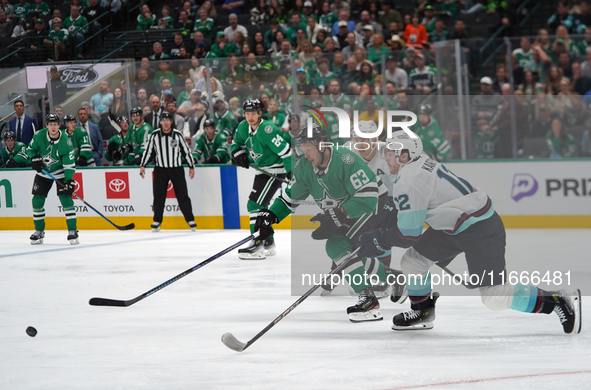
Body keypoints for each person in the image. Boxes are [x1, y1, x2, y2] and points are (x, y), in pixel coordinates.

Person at [355, 132, 581, 334]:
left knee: (495, 296)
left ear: (405, 156)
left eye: (391, 153)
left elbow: (407, 235)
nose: (385, 157)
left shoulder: (410, 180)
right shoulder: (417, 162)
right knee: (413, 262)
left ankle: (557, 300)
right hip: (455, 225)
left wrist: (379, 240)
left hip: (480, 228)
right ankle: (422, 311)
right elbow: (398, 208)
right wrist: (379, 230)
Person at [252, 124, 395, 321]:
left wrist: (339, 214)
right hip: (346, 210)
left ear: (321, 145)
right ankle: (391, 278)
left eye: (308, 148)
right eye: (302, 149)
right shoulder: (304, 167)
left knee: (342, 246)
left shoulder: (345, 159)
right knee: (342, 250)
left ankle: (369, 300)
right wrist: (270, 216)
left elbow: (368, 195)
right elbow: (289, 199)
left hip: (370, 205)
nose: (305, 154)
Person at [230, 99, 291, 259]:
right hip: (263, 170)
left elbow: (287, 152)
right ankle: (268, 242)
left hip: (276, 170)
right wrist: (239, 154)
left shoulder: (268, 130)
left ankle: (258, 244)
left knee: (254, 204)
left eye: (253, 113)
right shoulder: (243, 127)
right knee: (261, 205)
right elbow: (236, 144)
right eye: (247, 114)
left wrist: (291, 172)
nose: (250, 117)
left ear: (259, 113)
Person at [13, 114, 79, 245]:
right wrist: (34, 158)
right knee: (37, 200)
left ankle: (73, 230)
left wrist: (68, 180)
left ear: (59, 125)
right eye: (50, 124)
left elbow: (69, 164)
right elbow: (30, 149)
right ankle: (39, 231)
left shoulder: (66, 141)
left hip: (60, 171)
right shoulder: (39, 135)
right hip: (43, 172)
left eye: (55, 124)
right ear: (47, 125)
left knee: (65, 199)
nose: (53, 127)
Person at [140, 112, 197, 232]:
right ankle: (157, 221)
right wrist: (143, 165)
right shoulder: (155, 135)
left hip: (176, 169)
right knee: (159, 196)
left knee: (183, 195)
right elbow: (148, 151)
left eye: (167, 120)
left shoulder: (177, 135)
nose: (165, 123)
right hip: (160, 170)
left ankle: (190, 219)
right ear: (160, 122)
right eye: (163, 120)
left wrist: (191, 166)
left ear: (171, 122)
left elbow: (186, 151)